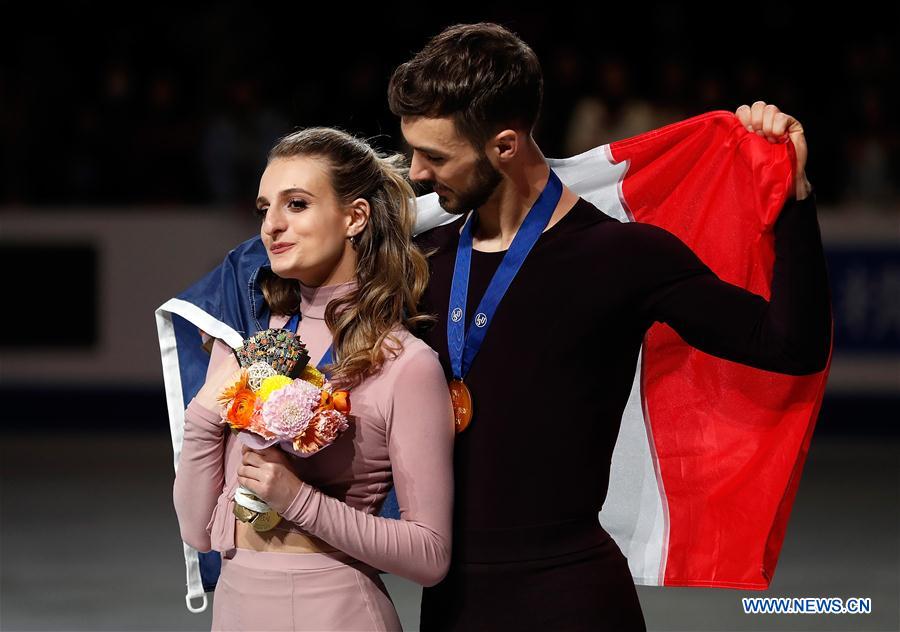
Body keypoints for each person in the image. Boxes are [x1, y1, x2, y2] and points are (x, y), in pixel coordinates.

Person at [387, 23, 831, 631]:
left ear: (506, 146)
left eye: (435, 156)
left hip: (573, 601)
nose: (415, 174)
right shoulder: (422, 263)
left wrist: (796, 195)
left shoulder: (623, 256)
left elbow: (791, 347)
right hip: (448, 603)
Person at [172, 127, 456, 631]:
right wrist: (203, 415)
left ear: (355, 217)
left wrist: (298, 500)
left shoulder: (406, 364)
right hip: (235, 608)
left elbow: (430, 556)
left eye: (297, 204)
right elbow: (197, 531)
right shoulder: (248, 343)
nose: (272, 226)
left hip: (338, 611)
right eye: (264, 209)